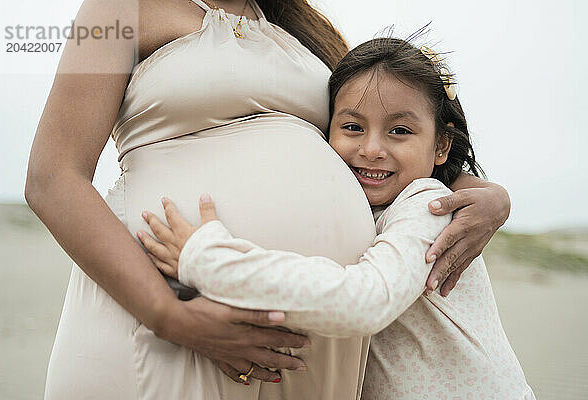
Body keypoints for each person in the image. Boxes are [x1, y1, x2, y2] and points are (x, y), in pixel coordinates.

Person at [24, 0, 510, 398]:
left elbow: (382, 148)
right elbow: (52, 177)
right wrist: (170, 314)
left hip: (307, 356)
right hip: (163, 319)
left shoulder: (310, 36)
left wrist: (486, 196)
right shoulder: (115, 11)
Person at [139, 37, 535, 399]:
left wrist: (208, 261)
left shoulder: (427, 204)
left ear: (441, 146)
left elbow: (365, 301)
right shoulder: (374, 210)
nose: (371, 148)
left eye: (399, 130)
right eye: (351, 127)